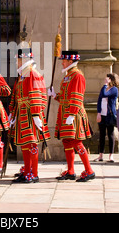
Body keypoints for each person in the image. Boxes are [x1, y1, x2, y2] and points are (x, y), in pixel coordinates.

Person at [48, 50, 95, 182]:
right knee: (67, 141)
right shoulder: (68, 75)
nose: (62, 63)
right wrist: (55, 96)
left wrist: (72, 114)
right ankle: (70, 170)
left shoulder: (77, 75)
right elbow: (65, 97)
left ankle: (89, 170)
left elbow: (77, 97)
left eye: (64, 60)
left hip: (73, 113)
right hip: (65, 112)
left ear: (70, 61)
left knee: (76, 141)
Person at [9, 48, 50, 183]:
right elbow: (16, 96)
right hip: (22, 112)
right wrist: (13, 113)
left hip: (30, 113)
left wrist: (36, 114)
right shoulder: (23, 75)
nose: (16, 62)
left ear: (24, 60)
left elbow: (36, 94)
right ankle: (27, 171)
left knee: (31, 144)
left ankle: (34, 173)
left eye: (18, 59)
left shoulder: (32, 73)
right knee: (25, 144)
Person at [95, 72, 119, 162]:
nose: (105, 79)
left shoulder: (114, 89)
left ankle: (111, 155)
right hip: (102, 114)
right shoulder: (104, 88)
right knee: (102, 135)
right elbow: (99, 100)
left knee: (110, 135)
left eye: (107, 78)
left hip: (109, 115)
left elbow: (105, 94)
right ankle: (101, 155)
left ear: (111, 79)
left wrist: (105, 85)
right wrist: (98, 113)